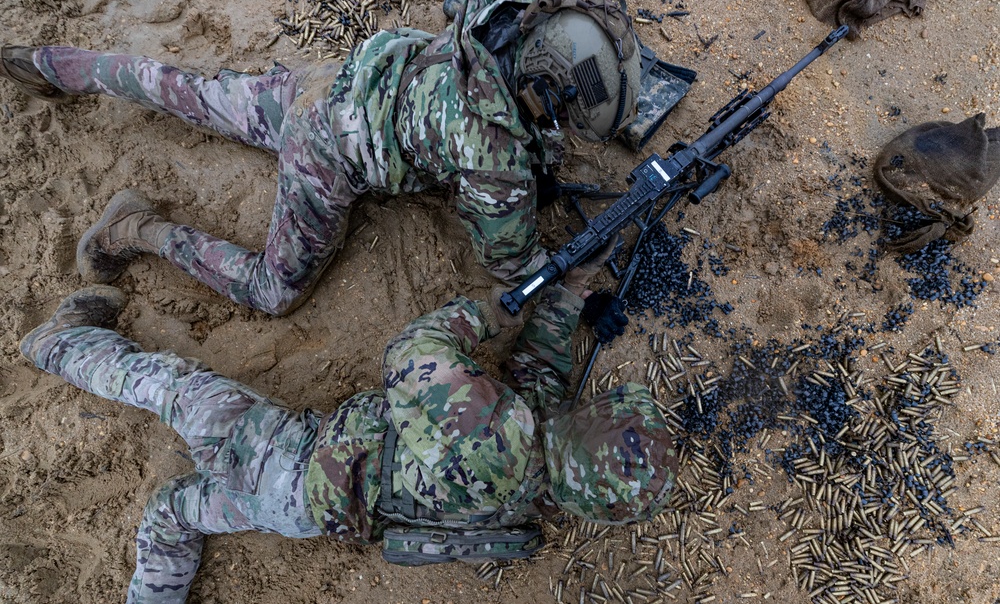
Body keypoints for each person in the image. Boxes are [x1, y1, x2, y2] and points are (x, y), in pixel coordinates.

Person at [19, 248, 678, 603]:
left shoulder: (493, 431)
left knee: (171, 388)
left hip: (281, 457)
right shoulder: (537, 491)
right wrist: (567, 296)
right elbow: (542, 375)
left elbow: (411, 352)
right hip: (303, 512)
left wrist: (489, 314)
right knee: (172, 513)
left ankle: (55, 345)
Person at [0, 0, 642, 316]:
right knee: (273, 293)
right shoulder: (492, 159)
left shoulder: (500, 12)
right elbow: (512, 263)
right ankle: (134, 229)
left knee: (178, 88)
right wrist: (579, 292)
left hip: (330, 83)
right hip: (327, 154)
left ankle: (53, 65)